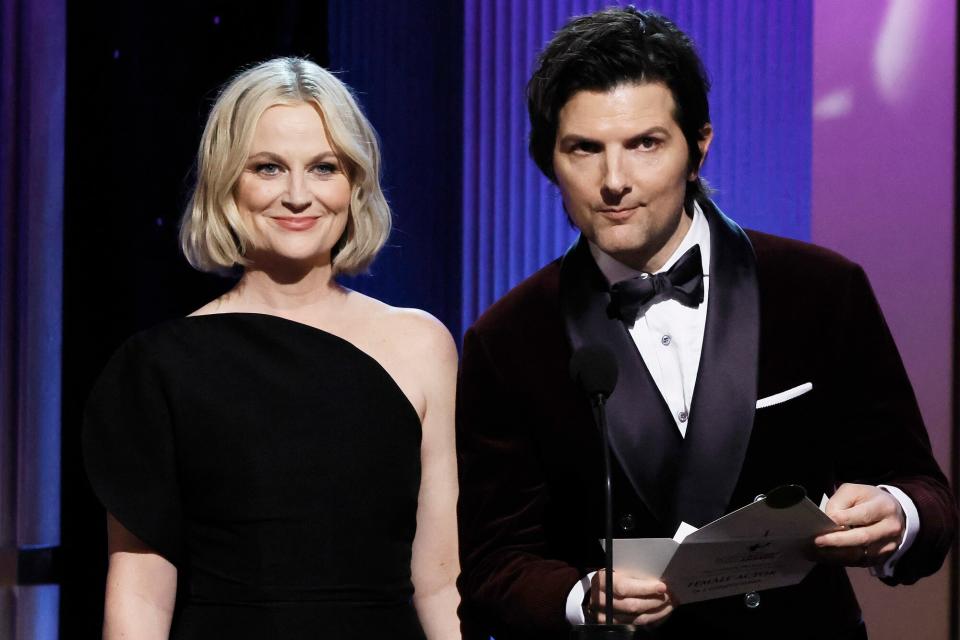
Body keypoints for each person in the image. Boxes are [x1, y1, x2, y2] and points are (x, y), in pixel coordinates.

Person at [455, 8, 955, 639]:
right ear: (548, 159)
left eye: (645, 144)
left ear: (698, 145)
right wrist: (580, 600)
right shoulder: (508, 338)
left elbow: (923, 489)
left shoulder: (821, 289)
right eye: (585, 148)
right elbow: (494, 563)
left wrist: (899, 514)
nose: (614, 181)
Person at [83, 57, 460, 639]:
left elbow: (439, 583)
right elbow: (138, 599)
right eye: (268, 168)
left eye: (323, 167)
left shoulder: (421, 344)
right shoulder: (159, 368)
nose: (298, 195)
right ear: (228, 181)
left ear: (355, 183)